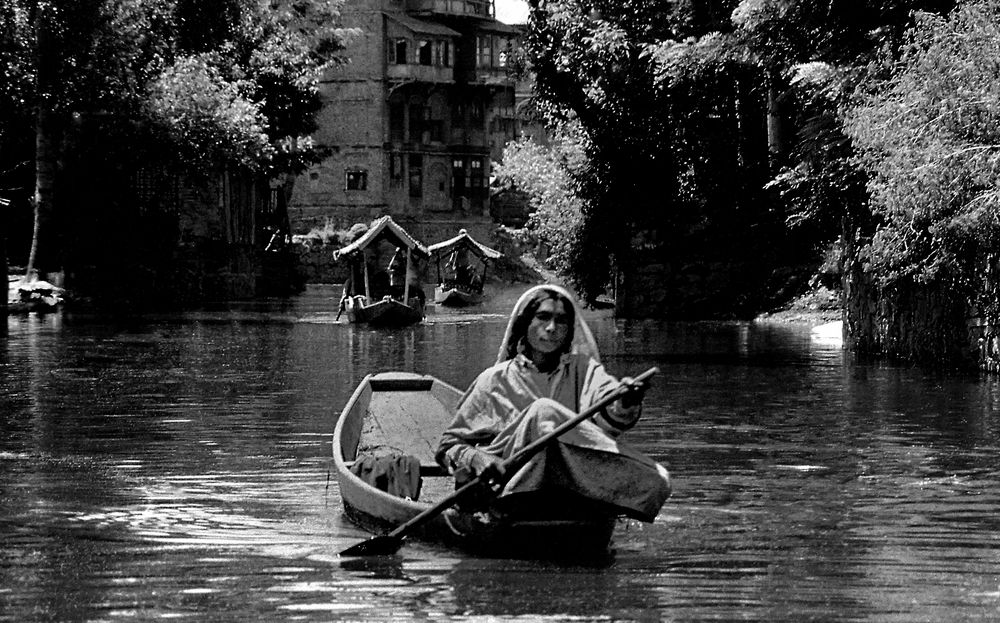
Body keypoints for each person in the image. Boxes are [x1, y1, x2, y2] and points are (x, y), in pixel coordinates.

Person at [435, 284, 671, 524]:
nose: (551, 328)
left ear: (569, 330)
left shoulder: (583, 370)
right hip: (505, 486)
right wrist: (478, 459)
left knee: (658, 482)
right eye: (543, 317)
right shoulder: (493, 380)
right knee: (543, 411)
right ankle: (517, 501)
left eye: (561, 321)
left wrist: (626, 399)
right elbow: (447, 447)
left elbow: (609, 408)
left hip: (569, 488)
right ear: (525, 323)